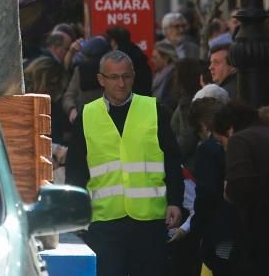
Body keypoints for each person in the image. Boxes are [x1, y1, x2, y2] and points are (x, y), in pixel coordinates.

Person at [66, 51, 184, 276]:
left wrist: (175, 201)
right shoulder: (87, 115)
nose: (121, 83)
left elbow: (172, 160)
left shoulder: (154, 110)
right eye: (114, 77)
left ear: (134, 76)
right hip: (104, 221)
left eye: (126, 76)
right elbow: (76, 169)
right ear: (101, 80)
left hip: (149, 220)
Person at [212, 101, 269, 275]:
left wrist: (227, 191)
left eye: (221, 142)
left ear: (229, 129)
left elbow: (240, 187)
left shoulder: (239, 140)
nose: (224, 148)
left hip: (256, 234)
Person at [188, 97, 235, 276]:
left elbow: (206, 194)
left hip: (219, 232)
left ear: (203, 125)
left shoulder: (207, 150)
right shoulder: (238, 142)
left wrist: (196, 227)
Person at [152, 41, 177, 110]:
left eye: (155, 57)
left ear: (166, 58)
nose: (152, 60)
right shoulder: (156, 75)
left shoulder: (174, 75)